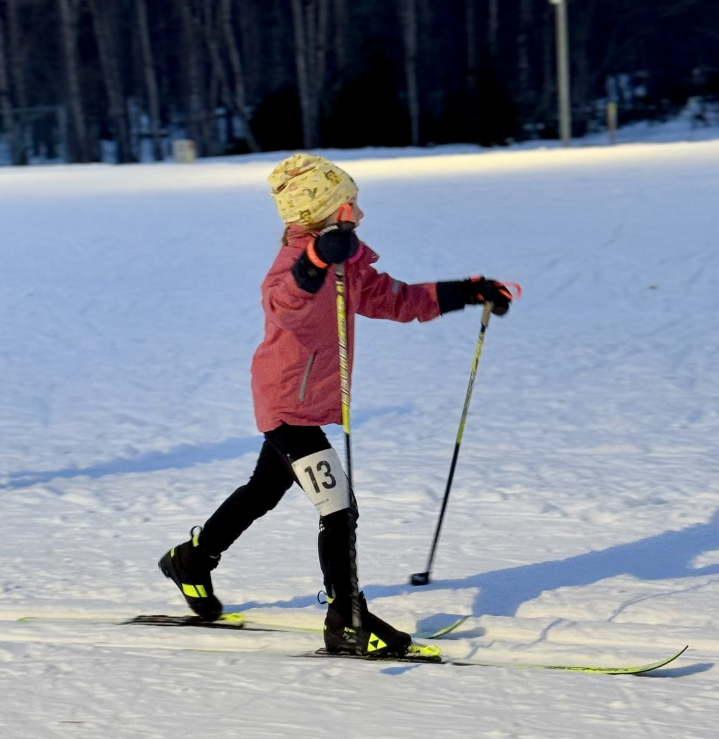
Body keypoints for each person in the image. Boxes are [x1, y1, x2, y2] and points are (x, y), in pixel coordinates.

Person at [159, 154, 512, 657]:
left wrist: (467, 291)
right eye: (352, 206)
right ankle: (346, 619)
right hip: (286, 403)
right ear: (325, 216)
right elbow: (284, 303)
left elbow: (398, 299)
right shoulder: (294, 267)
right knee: (339, 506)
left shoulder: (347, 266)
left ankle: (192, 560)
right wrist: (315, 262)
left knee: (263, 489)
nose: (361, 215)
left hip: (304, 401)